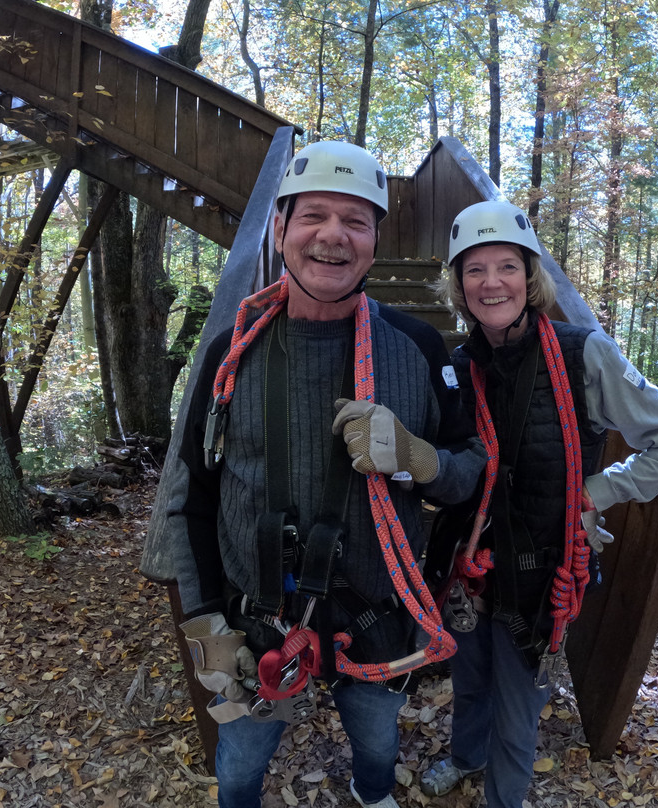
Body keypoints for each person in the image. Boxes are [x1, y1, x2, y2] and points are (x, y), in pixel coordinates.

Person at [162, 140, 486, 808]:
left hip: (374, 616)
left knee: (375, 743)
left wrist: (420, 458)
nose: (333, 235)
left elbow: (468, 478)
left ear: (373, 242)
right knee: (240, 766)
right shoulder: (233, 352)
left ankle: (372, 795)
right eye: (314, 216)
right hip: (257, 621)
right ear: (280, 229)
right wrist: (204, 618)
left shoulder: (417, 348)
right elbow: (193, 491)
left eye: (355, 220)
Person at [421, 200, 658, 808]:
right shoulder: (458, 367)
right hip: (470, 560)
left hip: (542, 564)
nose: (491, 282)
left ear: (531, 278)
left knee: (519, 706)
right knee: (471, 678)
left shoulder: (583, 355)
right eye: (474, 270)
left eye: (506, 267)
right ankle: (465, 757)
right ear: (458, 284)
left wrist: (597, 492)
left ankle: (504, 797)